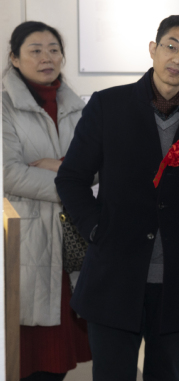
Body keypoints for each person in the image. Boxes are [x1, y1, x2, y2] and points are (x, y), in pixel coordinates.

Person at [54, 15, 179, 381]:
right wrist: (95, 228)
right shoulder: (109, 105)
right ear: (153, 49)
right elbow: (71, 178)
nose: (178, 58)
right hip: (115, 273)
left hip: (177, 278)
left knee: (165, 373)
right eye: (171, 46)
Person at [3, 22, 92, 381]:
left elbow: (97, 167)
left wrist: (62, 169)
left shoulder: (77, 105)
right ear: (14, 58)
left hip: (71, 243)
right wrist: (73, 181)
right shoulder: (4, 106)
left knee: (58, 359)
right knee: (24, 353)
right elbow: (8, 173)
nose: (47, 57)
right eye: (35, 50)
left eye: (54, 49)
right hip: (24, 240)